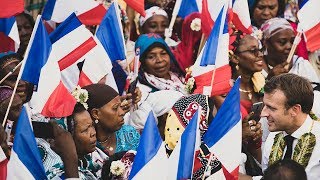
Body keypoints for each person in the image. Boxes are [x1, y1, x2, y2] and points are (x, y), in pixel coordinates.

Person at [261, 73, 320, 180]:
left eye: (271, 108)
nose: (263, 113)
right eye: (264, 105)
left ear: (295, 110)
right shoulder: (273, 137)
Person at [40, 103, 107, 179]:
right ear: (66, 138)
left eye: (92, 125)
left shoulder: (91, 161)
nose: (93, 133)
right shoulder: (59, 174)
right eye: (85, 130)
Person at [82, 84, 140, 156]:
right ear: (96, 114)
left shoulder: (129, 134)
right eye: (115, 108)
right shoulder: (87, 147)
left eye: (120, 106)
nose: (122, 112)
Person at [261, 18, 319, 83]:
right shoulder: (258, 69)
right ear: (266, 43)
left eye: (292, 41)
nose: (289, 46)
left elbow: (315, 91)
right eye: (282, 42)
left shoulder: (301, 65)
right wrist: (270, 81)